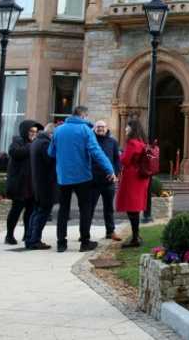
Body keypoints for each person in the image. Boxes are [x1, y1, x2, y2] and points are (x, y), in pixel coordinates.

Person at [48, 106, 116, 252]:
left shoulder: (58, 130)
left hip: (63, 177)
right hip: (82, 176)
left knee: (63, 210)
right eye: (86, 117)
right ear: (83, 115)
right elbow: (96, 151)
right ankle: (85, 242)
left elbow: (51, 152)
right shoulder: (85, 130)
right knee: (85, 208)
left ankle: (61, 243)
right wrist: (109, 169)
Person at [4, 119, 42, 245]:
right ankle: (9, 235)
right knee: (16, 210)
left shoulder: (35, 143)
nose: (33, 134)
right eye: (31, 131)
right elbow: (16, 153)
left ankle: (27, 234)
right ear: (25, 131)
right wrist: (32, 145)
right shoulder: (17, 142)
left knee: (30, 211)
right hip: (20, 184)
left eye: (36, 132)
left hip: (32, 184)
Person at [115, 117, 150, 247]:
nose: (125, 129)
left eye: (127, 126)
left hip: (132, 178)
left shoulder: (132, 143)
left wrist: (120, 154)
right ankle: (136, 235)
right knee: (135, 207)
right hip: (140, 177)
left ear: (132, 128)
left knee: (132, 208)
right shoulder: (142, 142)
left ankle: (135, 238)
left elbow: (125, 160)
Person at [24, 123, 57, 250]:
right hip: (45, 184)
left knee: (36, 211)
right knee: (42, 212)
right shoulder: (45, 144)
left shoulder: (37, 142)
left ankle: (30, 238)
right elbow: (50, 161)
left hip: (38, 183)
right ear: (51, 134)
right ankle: (34, 240)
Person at [89, 120, 122, 242]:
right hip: (93, 181)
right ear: (94, 128)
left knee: (109, 208)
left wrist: (115, 173)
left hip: (109, 181)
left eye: (102, 127)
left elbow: (117, 160)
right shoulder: (90, 140)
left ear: (107, 128)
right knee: (89, 208)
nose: (100, 129)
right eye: (98, 127)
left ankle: (110, 231)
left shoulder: (112, 142)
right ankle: (85, 233)